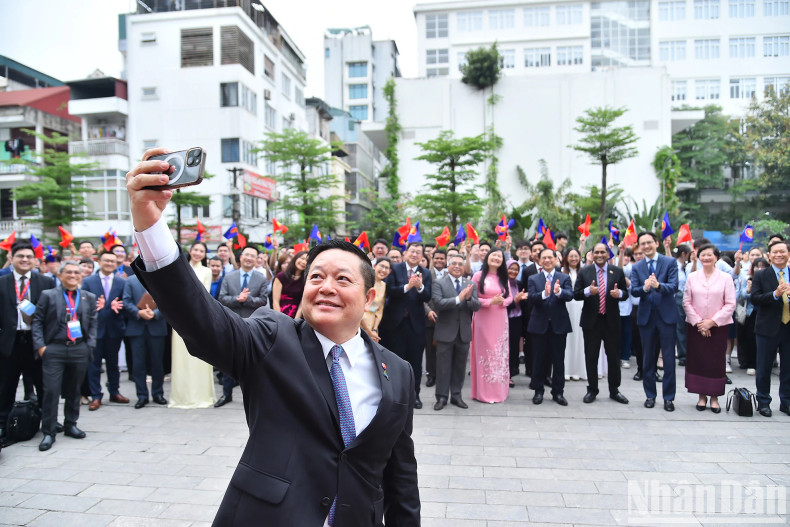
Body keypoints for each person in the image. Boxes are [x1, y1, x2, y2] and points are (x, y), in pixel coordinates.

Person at [126, 148, 420, 526]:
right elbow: (204, 322)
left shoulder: (398, 371)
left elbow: (401, 478)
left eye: (342, 279)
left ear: (368, 298)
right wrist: (150, 226)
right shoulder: (271, 338)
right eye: (316, 277)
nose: (326, 287)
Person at [32, 260, 97, 451]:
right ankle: (49, 432)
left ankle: (71, 424)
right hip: (54, 349)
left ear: (81, 276)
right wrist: (41, 346)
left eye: (76, 272)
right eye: (68, 272)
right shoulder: (48, 295)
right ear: (60, 275)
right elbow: (37, 321)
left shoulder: (88, 297)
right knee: (51, 391)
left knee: (74, 390)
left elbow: (93, 323)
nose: (73, 275)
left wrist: (89, 346)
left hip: (79, 349)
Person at [0, 240, 55, 444]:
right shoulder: (2, 282)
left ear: (35, 260)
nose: (25, 260)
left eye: (29, 257)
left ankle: (48, 424)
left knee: (43, 385)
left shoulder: (46, 282)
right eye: (20, 256)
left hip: (36, 342)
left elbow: (50, 315)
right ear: (11, 258)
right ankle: (3, 427)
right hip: (9, 344)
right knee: (6, 387)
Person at [573, 243, 630, 404]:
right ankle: (592, 389)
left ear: (608, 254)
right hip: (592, 321)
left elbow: (625, 293)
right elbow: (576, 294)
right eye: (596, 252)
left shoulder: (617, 271)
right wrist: (587, 292)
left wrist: (619, 293)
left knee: (613, 357)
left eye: (602, 252)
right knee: (591, 356)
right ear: (592, 254)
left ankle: (614, 390)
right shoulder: (585, 271)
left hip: (611, 321)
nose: (599, 255)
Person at [683, 243, 736, 413]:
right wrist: (700, 322)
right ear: (698, 257)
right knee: (698, 360)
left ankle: (714, 397)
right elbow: (686, 302)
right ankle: (701, 397)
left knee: (715, 362)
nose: (706, 258)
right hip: (696, 326)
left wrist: (711, 322)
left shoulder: (726, 278)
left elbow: (730, 303)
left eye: (709, 255)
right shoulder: (692, 277)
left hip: (718, 326)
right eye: (702, 255)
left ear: (716, 257)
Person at [380, 242, 432, 409]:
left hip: (416, 326)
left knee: (415, 363)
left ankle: (414, 395)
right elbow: (389, 290)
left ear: (422, 256)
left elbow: (427, 296)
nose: (415, 254)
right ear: (406, 252)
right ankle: (394, 396)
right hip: (395, 324)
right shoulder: (395, 269)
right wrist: (407, 286)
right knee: (395, 362)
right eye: (412, 251)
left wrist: (419, 287)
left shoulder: (426, 273)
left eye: (418, 252)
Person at [631, 232, 679, 412]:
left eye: (649, 242)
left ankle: (669, 398)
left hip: (666, 317)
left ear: (656, 243)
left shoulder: (670, 262)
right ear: (639, 246)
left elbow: (674, 286)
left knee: (668, 359)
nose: (646, 246)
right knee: (648, 359)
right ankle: (650, 395)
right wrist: (644, 288)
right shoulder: (637, 267)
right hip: (646, 318)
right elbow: (634, 291)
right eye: (642, 244)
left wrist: (658, 286)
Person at [216, 245, 269, 407]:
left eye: (252, 256)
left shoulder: (261, 279)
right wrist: (237, 299)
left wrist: (247, 300)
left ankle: (253, 398)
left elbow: (263, 300)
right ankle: (226, 394)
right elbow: (222, 298)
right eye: (246, 255)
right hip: (231, 323)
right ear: (241, 257)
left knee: (252, 362)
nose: (249, 258)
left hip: (252, 324)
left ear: (256, 259)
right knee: (228, 360)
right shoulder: (229, 277)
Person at [169, 242, 216, 409]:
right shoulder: (179, 268)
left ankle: (201, 395)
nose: (197, 253)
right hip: (178, 316)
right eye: (195, 249)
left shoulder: (207, 271)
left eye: (201, 250)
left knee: (199, 358)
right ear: (190, 251)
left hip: (199, 317)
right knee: (181, 358)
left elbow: (205, 294)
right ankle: (181, 396)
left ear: (205, 254)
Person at [81, 251, 129, 411]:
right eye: (106, 260)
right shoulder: (88, 281)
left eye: (112, 261)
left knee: (113, 364)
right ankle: (96, 395)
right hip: (95, 330)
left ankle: (114, 392)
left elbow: (125, 304)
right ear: (99, 262)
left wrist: (118, 307)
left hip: (114, 329)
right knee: (94, 364)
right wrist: (95, 307)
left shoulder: (121, 283)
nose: (109, 263)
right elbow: (83, 306)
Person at [432, 253, 480, 409]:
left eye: (460, 264)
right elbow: (438, 303)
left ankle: (457, 396)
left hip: (463, 332)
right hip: (445, 332)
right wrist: (458, 299)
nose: (457, 266)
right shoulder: (439, 283)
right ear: (448, 265)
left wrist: (467, 299)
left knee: (460, 367)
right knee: (442, 367)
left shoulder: (470, 283)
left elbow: (476, 306)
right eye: (454, 264)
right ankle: (441, 397)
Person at [527, 248, 573, 406]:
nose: (547, 260)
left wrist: (559, 292)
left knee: (558, 360)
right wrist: (544, 294)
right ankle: (538, 391)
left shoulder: (564, 277)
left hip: (559, 325)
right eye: (543, 258)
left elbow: (570, 295)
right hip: (539, 325)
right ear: (539, 261)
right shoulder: (533, 278)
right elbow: (532, 298)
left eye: (550, 257)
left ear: (555, 260)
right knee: (538, 360)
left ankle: (558, 392)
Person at [750, 239, 790, 417]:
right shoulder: (761, 275)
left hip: (788, 328)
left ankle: (786, 401)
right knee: (764, 366)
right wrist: (775, 294)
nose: (779, 255)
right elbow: (755, 299)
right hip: (767, 328)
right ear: (769, 255)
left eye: (782, 251)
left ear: (788, 254)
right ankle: (763, 401)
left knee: (788, 368)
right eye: (775, 252)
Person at [470, 249, 512, 403]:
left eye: (499, 256)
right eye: (493, 255)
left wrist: (503, 302)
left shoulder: (503, 277)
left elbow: (510, 296)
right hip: (483, 318)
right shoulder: (478, 276)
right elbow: (472, 299)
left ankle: (499, 392)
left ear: (502, 260)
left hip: (500, 319)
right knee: (485, 353)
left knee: (499, 354)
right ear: (487, 258)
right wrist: (489, 302)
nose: (496, 258)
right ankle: (482, 393)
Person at [123, 274, 168, 409]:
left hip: (156, 327)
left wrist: (156, 314)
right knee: (138, 365)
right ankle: (142, 396)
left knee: (157, 364)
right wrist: (138, 313)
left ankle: (158, 393)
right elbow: (126, 301)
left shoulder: (161, 279)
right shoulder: (131, 280)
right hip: (137, 329)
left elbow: (168, 300)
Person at [736, 257, 769, 376]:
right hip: (750, 313)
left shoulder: (770, 279)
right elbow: (741, 295)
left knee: (764, 340)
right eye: (757, 266)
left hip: (766, 313)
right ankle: (751, 364)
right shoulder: (748, 278)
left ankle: (762, 364)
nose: (760, 269)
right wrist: (749, 290)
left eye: (763, 266)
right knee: (749, 338)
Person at [562, 248, 585, 382]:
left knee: (579, 338)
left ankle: (578, 370)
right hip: (567, 306)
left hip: (581, 306)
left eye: (576, 256)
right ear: (566, 258)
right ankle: (567, 369)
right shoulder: (561, 272)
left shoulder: (584, 272)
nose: (574, 259)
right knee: (568, 339)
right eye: (571, 256)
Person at [506, 260, 528, 387]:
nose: (513, 271)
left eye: (516, 269)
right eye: (511, 268)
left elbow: (523, 303)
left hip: (517, 319)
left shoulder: (519, 284)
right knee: (505, 348)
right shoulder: (501, 284)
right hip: (504, 319)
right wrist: (515, 301)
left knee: (514, 347)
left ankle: (511, 373)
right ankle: (504, 375)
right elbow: (502, 304)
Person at [361, 258, 391, 342]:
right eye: (381, 266)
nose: (383, 270)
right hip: (359, 323)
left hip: (372, 326)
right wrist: (368, 331)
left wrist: (374, 329)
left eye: (386, 268)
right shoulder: (365, 281)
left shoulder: (383, 285)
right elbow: (359, 308)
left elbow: (380, 309)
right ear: (374, 266)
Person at [272, 250, 307, 318]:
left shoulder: (306, 280)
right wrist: (280, 319)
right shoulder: (281, 276)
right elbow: (275, 301)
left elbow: (302, 304)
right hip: (279, 315)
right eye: (302, 258)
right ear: (296, 258)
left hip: (296, 316)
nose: (303, 262)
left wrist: (295, 321)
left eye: (307, 261)